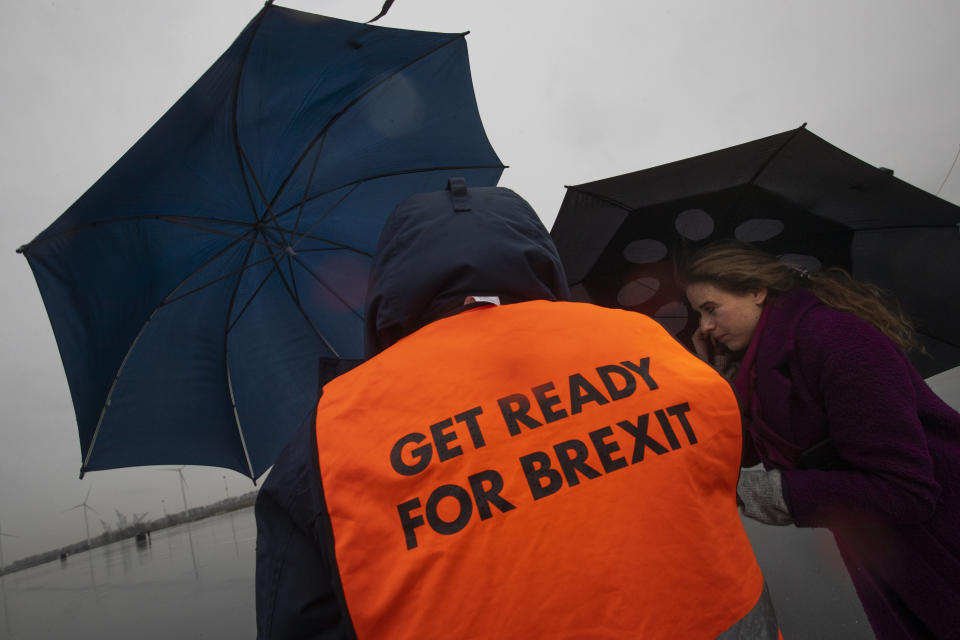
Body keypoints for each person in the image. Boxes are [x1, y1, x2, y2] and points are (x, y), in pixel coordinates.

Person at [254, 180, 780, 639]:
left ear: (390, 281)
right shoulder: (646, 341)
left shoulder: (330, 434)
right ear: (538, 253)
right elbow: (720, 466)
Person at [681, 241, 960, 640]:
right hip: (887, 550)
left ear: (756, 291)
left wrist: (770, 492)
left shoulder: (837, 338)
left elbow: (906, 489)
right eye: (699, 315)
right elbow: (742, 451)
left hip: (943, 539)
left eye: (710, 308)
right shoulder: (761, 372)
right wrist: (714, 384)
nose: (704, 327)